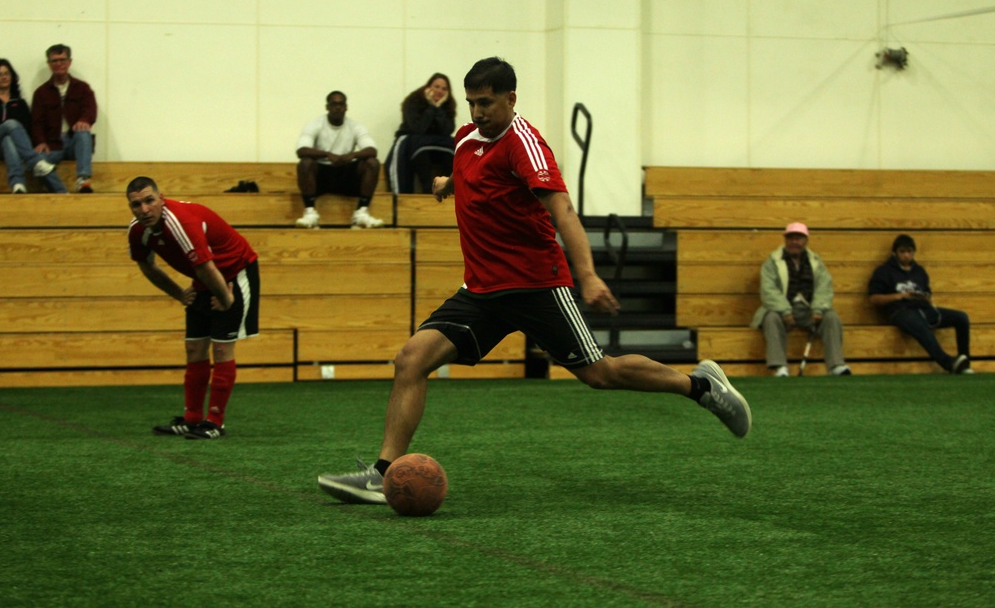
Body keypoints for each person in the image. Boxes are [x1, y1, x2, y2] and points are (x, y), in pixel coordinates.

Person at [317, 57, 751, 505]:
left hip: (536, 286)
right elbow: (476, 176)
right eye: (471, 103)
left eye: (486, 103)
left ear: (511, 98)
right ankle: (382, 475)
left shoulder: (525, 145)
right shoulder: (466, 137)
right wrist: (448, 183)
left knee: (600, 374)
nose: (477, 113)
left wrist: (588, 276)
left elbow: (563, 210)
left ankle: (701, 387)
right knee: (411, 359)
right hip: (481, 291)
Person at [126, 176, 260, 439]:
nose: (144, 210)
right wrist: (178, 293)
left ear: (161, 198)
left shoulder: (179, 222)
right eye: (136, 204)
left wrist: (226, 299)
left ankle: (215, 422)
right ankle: (192, 419)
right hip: (204, 276)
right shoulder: (137, 231)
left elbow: (205, 267)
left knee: (221, 348)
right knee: (194, 348)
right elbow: (146, 265)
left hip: (235, 271)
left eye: (149, 201)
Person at [750, 222, 852, 377]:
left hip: (809, 310)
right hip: (781, 310)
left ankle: (836, 365)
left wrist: (818, 309)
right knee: (770, 318)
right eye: (791, 238)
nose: (794, 242)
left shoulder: (816, 262)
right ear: (785, 240)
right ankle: (780, 367)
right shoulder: (772, 262)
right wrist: (785, 311)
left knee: (831, 317)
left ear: (806, 240)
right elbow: (768, 290)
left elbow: (824, 287)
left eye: (799, 238)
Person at [868, 234, 972, 374]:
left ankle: (965, 362)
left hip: (923, 308)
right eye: (902, 252)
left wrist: (924, 297)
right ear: (894, 253)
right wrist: (900, 296)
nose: (906, 255)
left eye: (909, 251)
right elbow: (874, 299)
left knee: (961, 318)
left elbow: (927, 292)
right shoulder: (883, 271)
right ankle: (948, 362)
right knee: (920, 325)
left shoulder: (919, 271)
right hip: (900, 311)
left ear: (914, 252)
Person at [294, 90, 384, 229]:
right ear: (327, 107)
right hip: (322, 176)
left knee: (372, 163)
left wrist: (352, 155)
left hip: (346, 175)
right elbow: (301, 150)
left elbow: (372, 150)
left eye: (341, 104)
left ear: (346, 107)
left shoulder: (355, 126)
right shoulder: (315, 124)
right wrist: (327, 154)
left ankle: (361, 213)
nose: (337, 107)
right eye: (333, 104)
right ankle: (310, 213)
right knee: (305, 163)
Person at [31, 44, 97, 193]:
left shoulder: (82, 88)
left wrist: (84, 120)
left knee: (83, 132)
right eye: (54, 61)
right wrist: (40, 141)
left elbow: (90, 109)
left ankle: (83, 180)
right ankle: (61, 191)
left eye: (62, 60)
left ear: (69, 62)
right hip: (52, 145)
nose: (59, 64)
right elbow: (36, 122)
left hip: (75, 142)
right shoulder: (41, 93)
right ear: (49, 64)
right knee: (36, 161)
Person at [385, 72, 457, 193]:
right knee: (420, 149)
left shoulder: (448, 106)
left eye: (444, 88)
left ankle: (448, 190)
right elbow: (419, 129)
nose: (440, 91)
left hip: (436, 145)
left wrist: (438, 108)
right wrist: (432, 107)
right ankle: (428, 190)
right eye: (436, 86)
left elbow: (447, 131)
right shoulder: (413, 101)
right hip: (415, 141)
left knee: (454, 148)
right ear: (428, 87)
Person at [0, 58, 54, 193]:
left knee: (7, 140)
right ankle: (35, 162)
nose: (4, 77)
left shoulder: (20, 103)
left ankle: (18, 184)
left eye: (7, 73)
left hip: (11, 148)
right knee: (11, 124)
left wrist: (38, 142)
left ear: (12, 76)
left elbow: (28, 128)